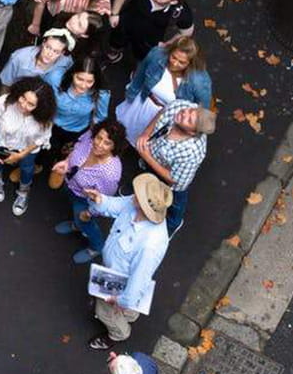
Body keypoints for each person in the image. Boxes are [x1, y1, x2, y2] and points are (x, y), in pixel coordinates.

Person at [83, 173, 172, 350]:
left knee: (105, 312)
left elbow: (139, 278)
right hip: (113, 271)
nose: (134, 193)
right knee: (127, 308)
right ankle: (129, 314)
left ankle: (118, 333)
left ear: (145, 205)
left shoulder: (150, 244)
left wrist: (121, 301)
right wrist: (100, 200)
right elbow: (115, 205)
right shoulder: (135, 204)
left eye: (138, 193)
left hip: (117, 283)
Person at [115, 36, 211, 148]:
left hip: (167, 117)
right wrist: (131, 93)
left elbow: (202, 109)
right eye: (173, 57)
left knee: (149, 144)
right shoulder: (156, 56)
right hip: (143, 102)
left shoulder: (199, 81)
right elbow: (140, 74)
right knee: (128, 129)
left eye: (182, 62)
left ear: (190, 63)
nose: (175, 64)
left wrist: (190, 130)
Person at [136, 100, 215, 236]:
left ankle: (173, 223)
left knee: (176, 202)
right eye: (190, 111)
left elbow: (174, 179)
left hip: (172, 180)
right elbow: (162, 113)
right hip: (154, 156)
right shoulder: (180, 106)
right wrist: (146, 134)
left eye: (189, 120)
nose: (184, 114)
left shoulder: (191, 153)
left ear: (192, 133)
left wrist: (146, 156)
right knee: (149, 181)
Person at [51, 119, 125, 263]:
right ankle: (76, 225)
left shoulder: (110, 173)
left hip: (86, 201)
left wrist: (89, 213)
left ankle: (96, 247)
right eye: (99, 138)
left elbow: (104, 200)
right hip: (71, 185)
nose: (99, 144)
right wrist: (66, 162)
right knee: (76, 214)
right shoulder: (89, 137)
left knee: (85, 222)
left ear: (114, 147)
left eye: (107, 143)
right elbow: (75, 150)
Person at [0, 77, 56, 216]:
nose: (23, 105)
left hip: (27, 148)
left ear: (40, 107)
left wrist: (21, 154)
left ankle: (23, 191)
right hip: (2, 143)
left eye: (31, 104)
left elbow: (41, 138)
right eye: (23, 98)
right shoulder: (2, 104)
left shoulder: (44, 118)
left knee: (27, 168)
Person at [45, 54, 111, 181]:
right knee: (45, 147)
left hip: (75, 129)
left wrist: (90, 137)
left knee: (65, 151)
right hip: (50, 123)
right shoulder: (55, 78)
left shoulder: (101, 93)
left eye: (89, 81)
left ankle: (60, 166)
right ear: (72, 74)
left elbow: (100, 117)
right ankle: (38, 164)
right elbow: (42, 95)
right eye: (80, 79)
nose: (83, 86)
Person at [107, 0, 194, 64]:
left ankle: (139, 68)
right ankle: (114, 53)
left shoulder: (180, 12)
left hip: (149, 39)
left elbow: (186, 32)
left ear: (173, 1)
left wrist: (167, 45)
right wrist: (114, 14)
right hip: (127, 21)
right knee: (115, 42)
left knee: (143, 56)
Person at [0, 29, 74, 91]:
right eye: (48, 47)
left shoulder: (66, 62)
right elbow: (6, 85)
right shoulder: (19, 58)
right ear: (43, 43)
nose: (50, 54)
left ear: (62, 53)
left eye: (56, 52)